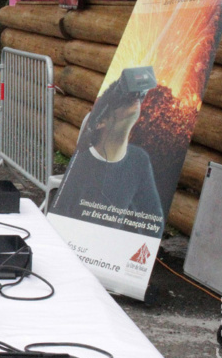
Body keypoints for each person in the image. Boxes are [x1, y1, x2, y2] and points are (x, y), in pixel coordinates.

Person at [49, 67, 163, 237]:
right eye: (125, 99)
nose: (135, 100)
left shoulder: (139, 160)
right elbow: (61, 218)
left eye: (139, 96)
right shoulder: (82, 162)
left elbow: (153, 220)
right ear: (100, 122)